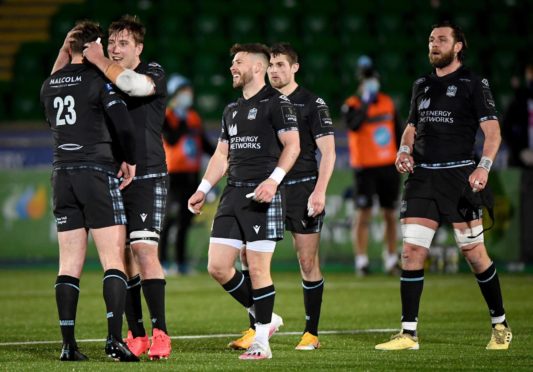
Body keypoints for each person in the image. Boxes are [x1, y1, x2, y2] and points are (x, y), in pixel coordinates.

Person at [375, 21, 512, 351]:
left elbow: (492, 133)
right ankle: (408, 334)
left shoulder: (473, 83)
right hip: (423, 177)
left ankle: (500, 325)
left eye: (441, 40)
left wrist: (484, 167)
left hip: (459, 177)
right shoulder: (421, 84)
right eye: (430, 40)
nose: (433, 45)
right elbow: (411, 127)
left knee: (474, 255)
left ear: (458, 46)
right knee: (411, 252)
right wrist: (404, 149)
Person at [188, 43, 300, 360]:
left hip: (262, 193)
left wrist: (273, 181)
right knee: (218, 266)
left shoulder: (277, 104)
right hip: (232, 193)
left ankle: (261, 343)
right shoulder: (231, 110)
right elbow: (221, 154)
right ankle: (266, 316)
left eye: (238, 62)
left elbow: (293, 145)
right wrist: (203, 187)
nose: (232, 67)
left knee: (258, 268)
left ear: (257, 67)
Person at [228, 42, 336, 351]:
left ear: (294, 68)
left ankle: (311, 332)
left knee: (306, 259)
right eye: (271, 65)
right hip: (268, 188)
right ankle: (258, 326)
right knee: (248, 257)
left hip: (302, 188)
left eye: (281, 65)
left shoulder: (311, 103)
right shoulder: (260, 101)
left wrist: (320, 190)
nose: (275, 70)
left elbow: (328, 152)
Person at [41, 20, 139, 362]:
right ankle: (114, 340)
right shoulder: (99, 80)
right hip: (95, 171)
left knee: (68, 263)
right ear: (93, 46)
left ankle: (68, 345)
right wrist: (130, 159)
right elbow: (124, 127)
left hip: (61, 174)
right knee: (113, 259)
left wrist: (65, 50)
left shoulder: (49, 85)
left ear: (69, 48)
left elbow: (53, 112)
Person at [82, 15, 171, 359]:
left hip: (147, 173)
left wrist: (99, 58)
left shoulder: (155, 72)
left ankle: (161, 332)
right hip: (111, 175)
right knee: (120, 258)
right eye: (112, 42)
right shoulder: (98, 77)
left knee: (144, 251)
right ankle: (136, 333)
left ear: (139, 48)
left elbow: (134, 86)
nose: (116, 49)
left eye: (124, 43)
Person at [341, 55, 402, 276]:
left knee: (389, 214)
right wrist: (366, 102)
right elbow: (354, 126)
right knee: (363, 214)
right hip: (365, 168)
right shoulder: (352, 105)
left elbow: (397, 131)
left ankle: (391, 259)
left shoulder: (387, 102)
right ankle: (361, 261)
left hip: (388, 165)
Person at [159, 74, 215, 275]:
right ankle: (162, 262)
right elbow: (172, 139)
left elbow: (204, 143)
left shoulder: (193, 117)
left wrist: (222, 156)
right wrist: (180, 118)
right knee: (168, 219)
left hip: (191, 174)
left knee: (185, 219)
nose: (187, 95)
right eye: (183, 92)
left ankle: (181, 264)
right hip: (173, 175)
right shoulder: (167, 116)